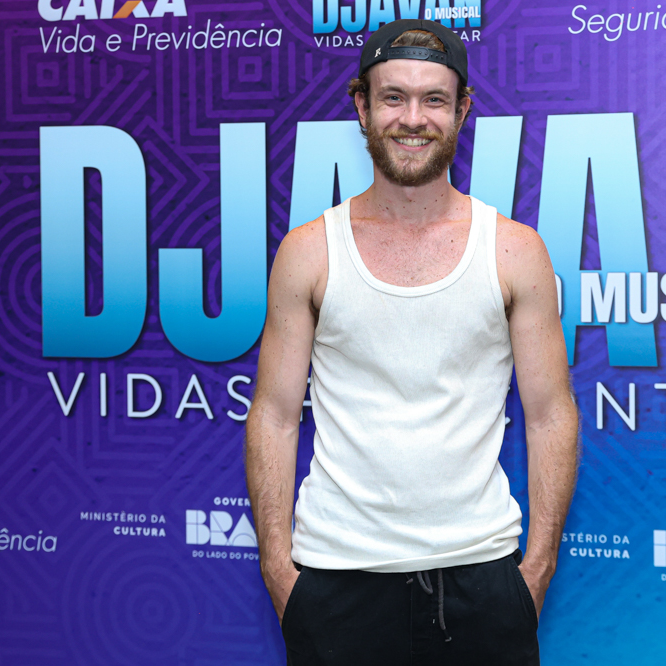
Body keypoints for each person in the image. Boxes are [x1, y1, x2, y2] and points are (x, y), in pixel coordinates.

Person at [245, 19, 579, 666]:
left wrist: (534, 572)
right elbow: (275, 414)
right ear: (362, 106)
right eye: (393, 97)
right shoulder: (308, 251)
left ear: (462, 110)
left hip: (483, 578)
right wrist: (280, 572)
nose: (413, 118)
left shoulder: (514, 250)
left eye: (433, 99)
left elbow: (549, 414)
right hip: (335, 580)